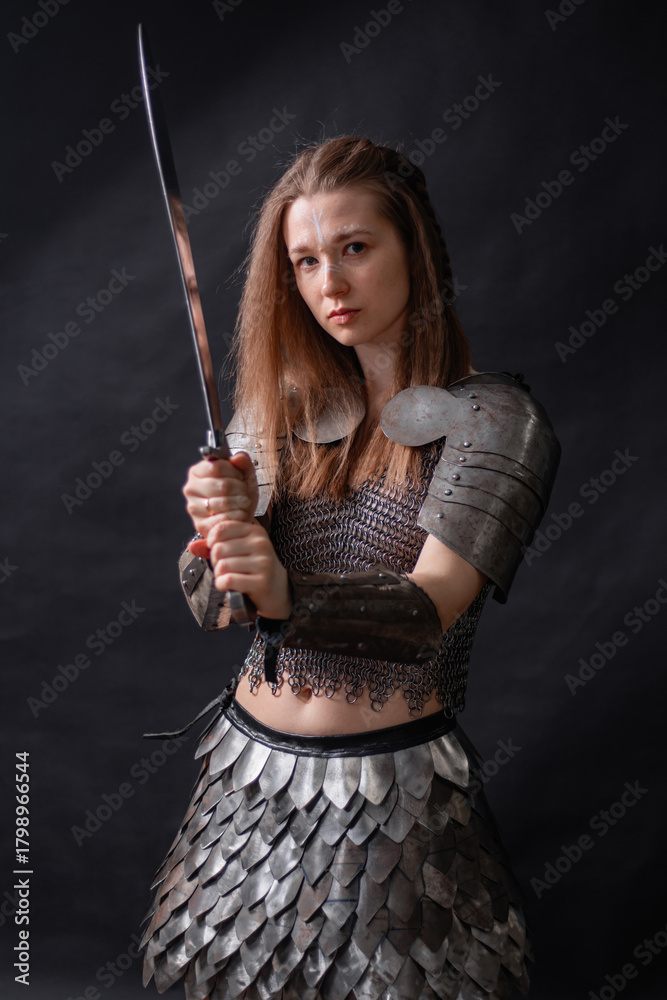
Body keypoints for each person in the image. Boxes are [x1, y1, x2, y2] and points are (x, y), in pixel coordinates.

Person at [139, 135, 560, 1000]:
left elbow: (430, 606)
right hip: (245, 787)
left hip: (390, 799)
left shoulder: (494, 419)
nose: (329, 283)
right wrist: (219, 535)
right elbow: (219, 611)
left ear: (415, 251)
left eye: (355, 249)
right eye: (304, 260)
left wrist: (284, 587)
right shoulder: (280, 408)